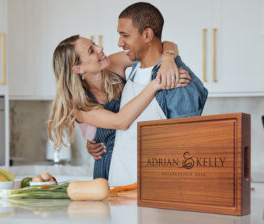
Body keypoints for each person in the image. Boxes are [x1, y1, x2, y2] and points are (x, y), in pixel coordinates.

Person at [86, 2, 208, 186]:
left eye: (125, 35)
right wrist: (96, 140)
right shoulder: (133, 69)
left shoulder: (177, 80)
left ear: (147, 35)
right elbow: (125, 125)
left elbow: (186, 151)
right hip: (119, 188)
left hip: (153, 194)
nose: (120, 42)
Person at [47, 35, 190, 179]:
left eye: (95, 44)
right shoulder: (78, 105)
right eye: (91, 50)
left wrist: (167, 59)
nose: (100, 48)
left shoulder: (113, 63)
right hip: (109, 169)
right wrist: (157, 83)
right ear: (78, 69)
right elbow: (120, 122)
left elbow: (158, 47)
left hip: (140, 158)